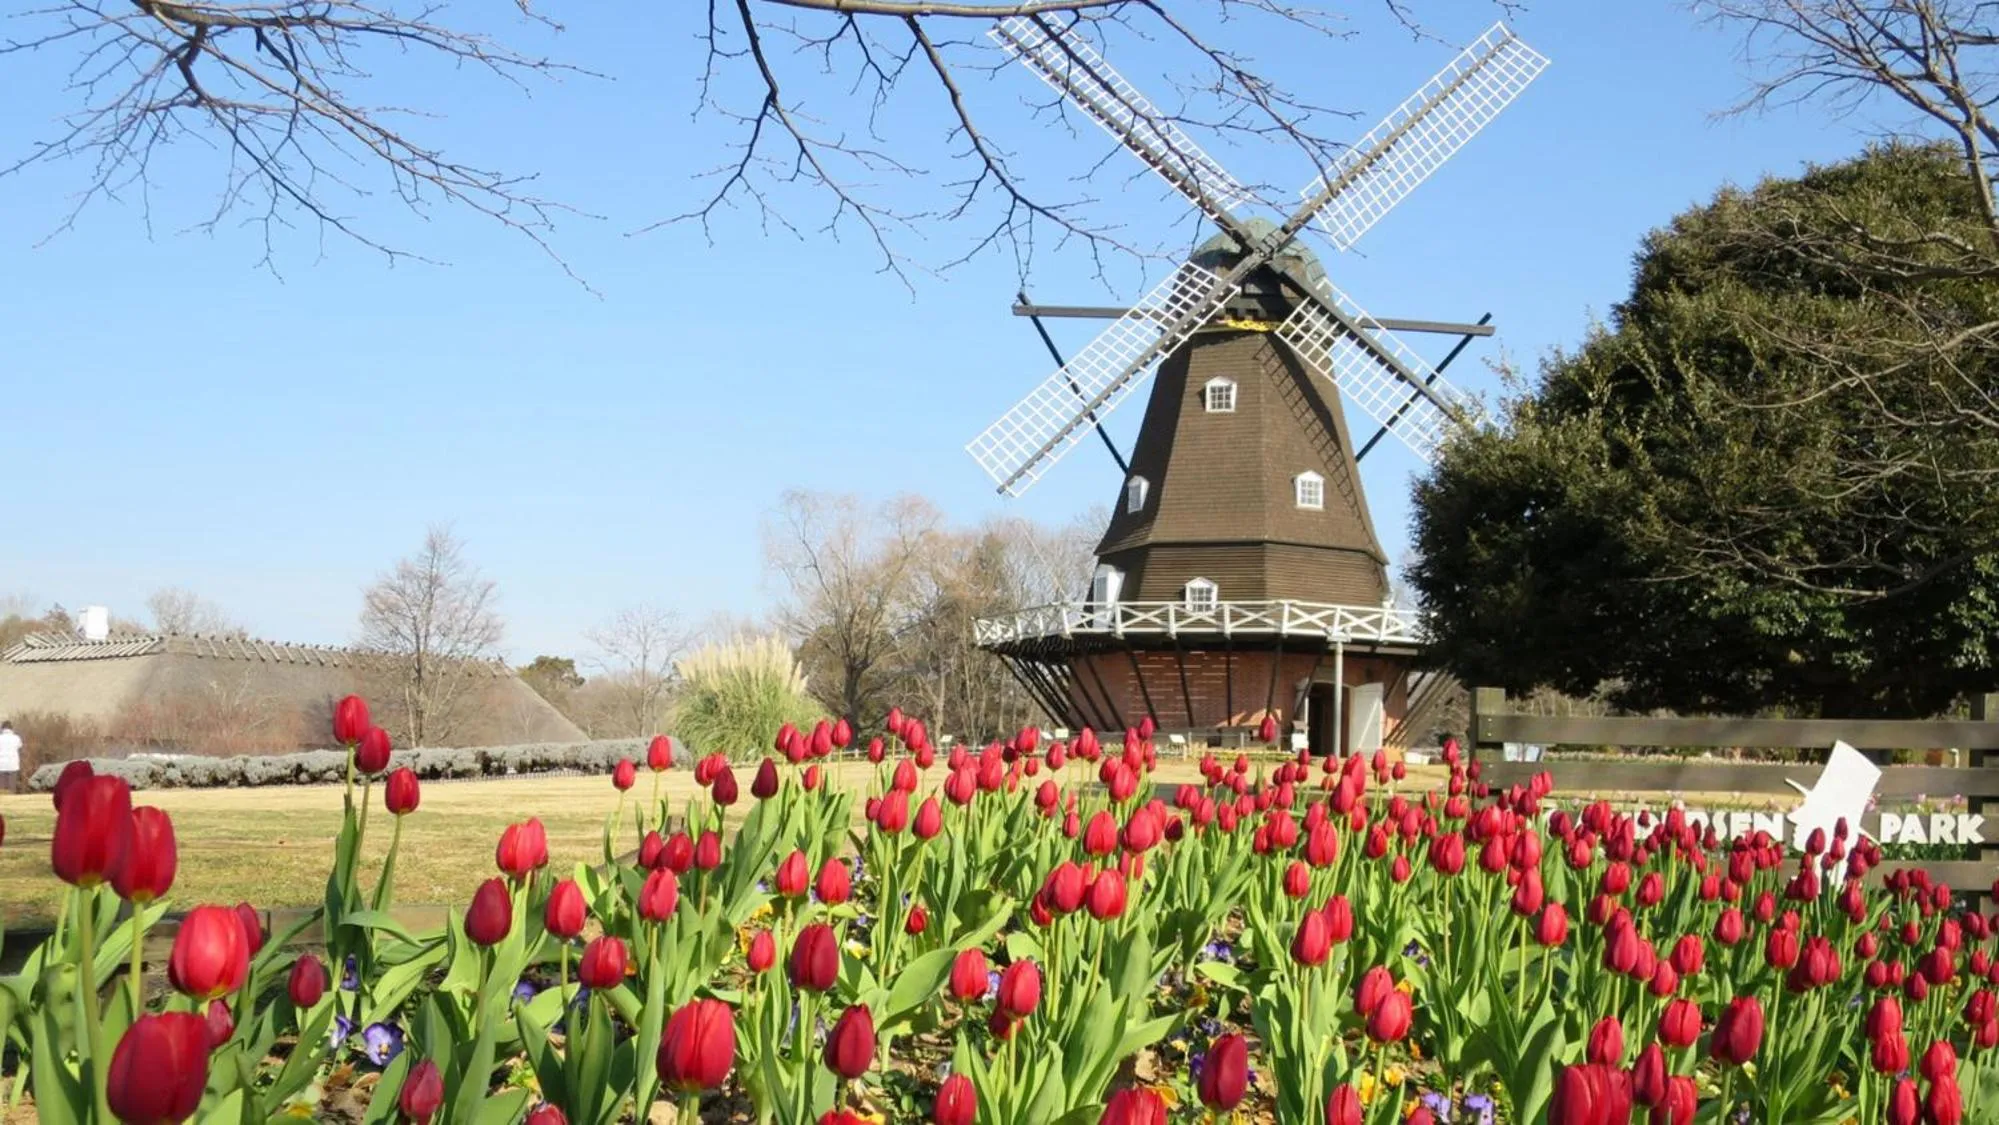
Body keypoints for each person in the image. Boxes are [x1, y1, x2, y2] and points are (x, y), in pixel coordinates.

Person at [0, 720, 20, 794]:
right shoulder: (16, 738)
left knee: (1, 788)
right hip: (13, 764)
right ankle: (12, 802)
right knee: (12, 788)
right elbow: (19, 746)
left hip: (1, 765)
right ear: (12, 728)